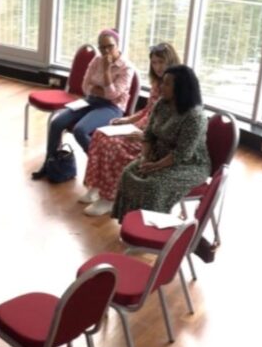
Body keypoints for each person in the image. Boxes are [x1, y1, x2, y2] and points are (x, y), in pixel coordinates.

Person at [81, 43, 182, 216]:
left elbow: (174, 123)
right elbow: (147, 110)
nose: (157, 67)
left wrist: (145, 136)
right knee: (100, 135)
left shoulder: (177, 87)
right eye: (154, 63)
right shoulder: (158, 83)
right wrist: (127, 119)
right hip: (145, 126)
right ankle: (96, 187)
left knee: (115, 146)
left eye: (161, 62)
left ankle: (110, 198)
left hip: (157, 137)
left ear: (170, 61)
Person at [111, 64, 210, 220]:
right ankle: (132, 223)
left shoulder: (195, 117)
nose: (161, 86)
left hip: (188, 165)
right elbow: (149, 135)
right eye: (162, 82)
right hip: (158, 155)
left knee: (153, 186)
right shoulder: (161, 104)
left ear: (181, 88)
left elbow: (181, 154)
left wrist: (155, 166)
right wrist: (144, 158)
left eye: (167, 83)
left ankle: (153, 229)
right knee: (128, 173)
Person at [32, 28, 133, 180]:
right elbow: (85, 87)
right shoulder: (96, 60)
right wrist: (99, 90)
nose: (106, 51)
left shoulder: (126, 67)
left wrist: (106, 72)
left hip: (112, 107)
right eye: (102, 47)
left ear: (118, 45)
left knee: (80, 130)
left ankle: (99, 171)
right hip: (91, 100)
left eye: (110, 46)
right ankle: (49, 163)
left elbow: (113, 95)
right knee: (56, 123)